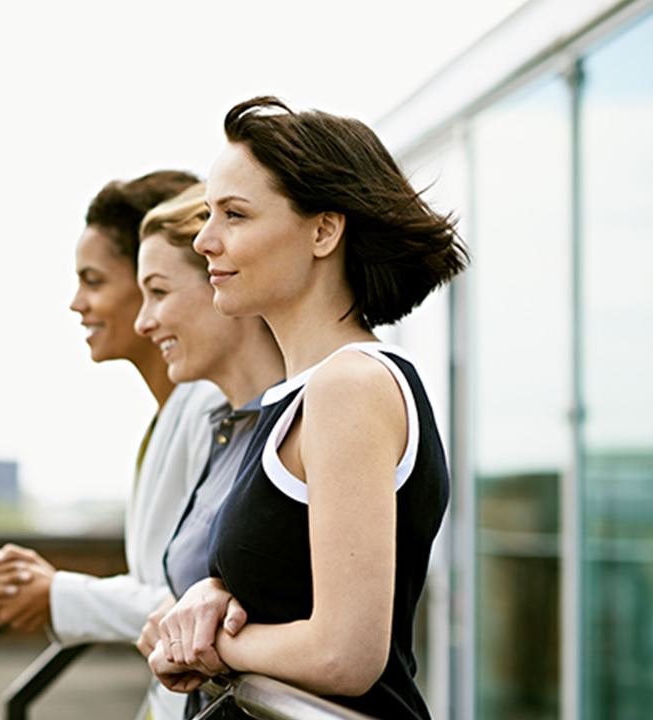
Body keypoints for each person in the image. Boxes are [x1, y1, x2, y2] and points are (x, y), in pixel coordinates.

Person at [148, 97, 467, 720]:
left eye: (234, 214)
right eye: (208, 214)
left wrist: (209, 645)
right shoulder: (305, 393)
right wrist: (212, 597)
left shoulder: (350, 385)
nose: (205, 239)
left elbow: (345, 654)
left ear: (324, 230)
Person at [0, 170, 221, 720]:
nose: (75, 303)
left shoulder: (212, 409)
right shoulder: (172, 412)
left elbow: (181, 602)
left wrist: (57, 593)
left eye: (93, 280)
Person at [129, 182, 285, 716]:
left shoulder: (291, 429)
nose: (143, 321)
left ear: (220, 282)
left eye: (159, 291)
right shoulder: (224, 429)